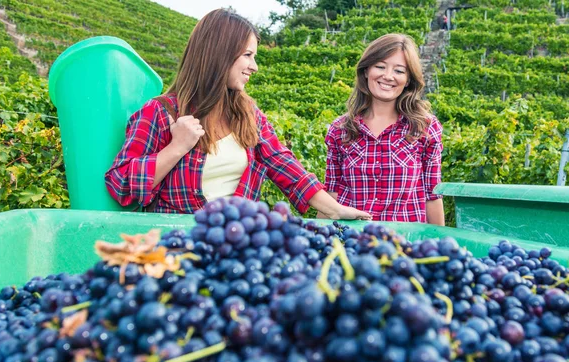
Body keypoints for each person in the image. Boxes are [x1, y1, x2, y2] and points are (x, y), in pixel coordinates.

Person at [105, 9, 371, 221]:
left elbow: (282, 163)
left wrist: (335, 209)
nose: (254, 66)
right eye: (247, 55)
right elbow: (121, 185)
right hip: (179, 249)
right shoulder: (162, 113)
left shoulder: (248, 113)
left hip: (236, 244)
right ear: (219, 54)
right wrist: (176, 148)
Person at [322, 33, 445, 225]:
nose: (388, 76)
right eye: (380, 66)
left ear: (408, 80)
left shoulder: (424, 128)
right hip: (351, 242)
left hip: (404, 244)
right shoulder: (340, 130)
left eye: (399, 71)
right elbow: (331, 192)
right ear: (366, 71)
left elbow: (433, 194)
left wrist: (440, 246)